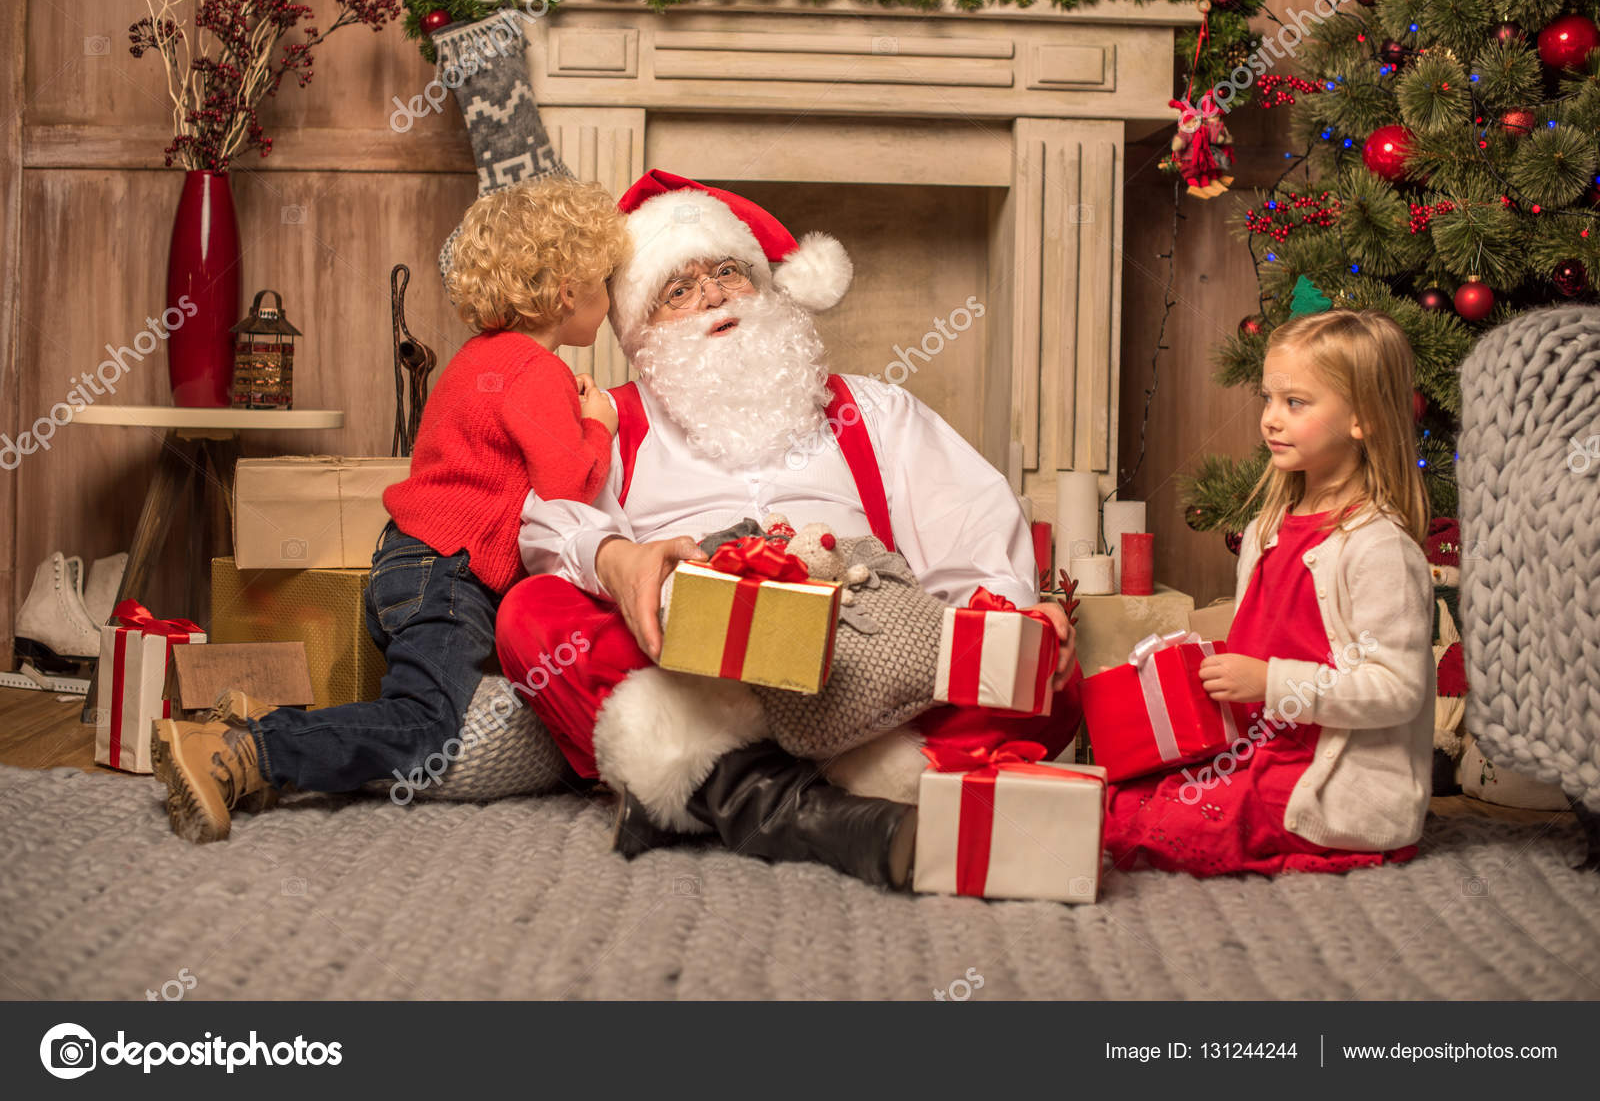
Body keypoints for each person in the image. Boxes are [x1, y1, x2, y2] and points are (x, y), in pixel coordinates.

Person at [495, 170, 1080, 890]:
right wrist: (617, 559)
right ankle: (832, 805)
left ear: (766, 287)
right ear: (639, 331)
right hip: (700, 680)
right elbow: (548, 520)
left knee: (1053, 678)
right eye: (677, 290)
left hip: (868, 666)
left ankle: (733, 794)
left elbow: (974, 535)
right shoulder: (609, 422)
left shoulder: (873, 411)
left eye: (729, 273)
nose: (712, 297)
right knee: (531, 615)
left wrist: (1012, 616)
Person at [153, 178, 630, 843]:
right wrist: (597, 421)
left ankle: (254, 719)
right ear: (567, 290)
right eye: (607, 282)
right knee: (423, 726)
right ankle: (244, 751)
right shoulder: (538, 371)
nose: (611, 302)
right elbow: (568, 487)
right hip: (449, 579)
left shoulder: (477, 360)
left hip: (404, 565)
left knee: (419, 709)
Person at [1103, 309, 1435, 876]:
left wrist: (1271, 682)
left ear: (1362, 419)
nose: (1270, 420)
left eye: (1296, 404)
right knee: (1126, 793)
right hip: (1255, 750)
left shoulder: (1379, 546)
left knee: (1174, 824)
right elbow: (1259, 627)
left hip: (1325, 774)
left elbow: (1397, 688)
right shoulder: (1268, 527)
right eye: (1268, 399)